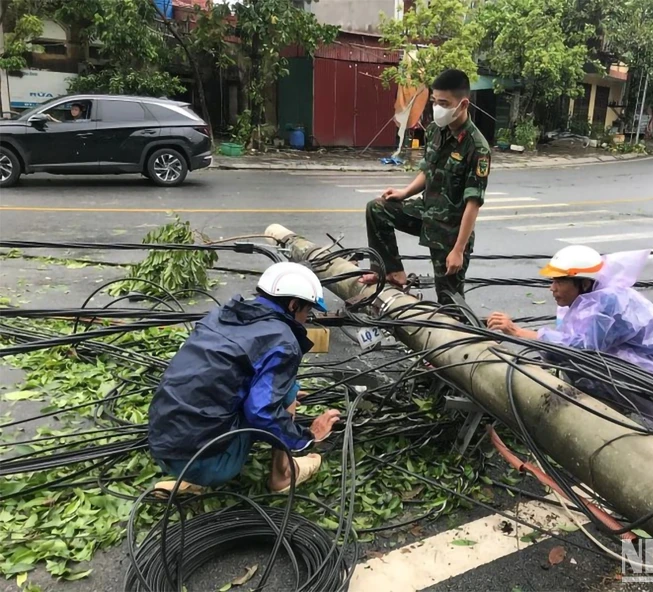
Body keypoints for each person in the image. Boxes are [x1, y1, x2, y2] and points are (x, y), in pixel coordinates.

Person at [148, 262, 341, 494]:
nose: (306, 318)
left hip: (161, 445)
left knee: (268, 392)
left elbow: (215, 377)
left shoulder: (221, 316)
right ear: (293, 304)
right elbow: (261, 412)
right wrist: (307, 437)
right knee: (288, 390)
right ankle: (282, 476)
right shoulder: (283, 339)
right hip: (207, 461)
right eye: (307, 311)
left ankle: (190, 477)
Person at [487, 246, 653, 411]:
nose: (552, 288)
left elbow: (582, 350)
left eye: (560, 281)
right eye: (552, 281)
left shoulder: (610, 303)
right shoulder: (592, 298)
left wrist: (517, 332)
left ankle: (627, 418)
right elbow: (569, 340)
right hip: (639, 370)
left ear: (583, 282)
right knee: (571, 368)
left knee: (581, 372)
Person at [361, 68, 491, 305]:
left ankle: (464, 337)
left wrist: (458, 250)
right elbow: (428, 170)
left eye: (444, 103)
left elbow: (473, 204)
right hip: (426, 214)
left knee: (449, 304)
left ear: (463, 105)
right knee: (377, 209)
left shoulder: (477, 148)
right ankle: (390, 273)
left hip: (450, 234)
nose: (437, 108)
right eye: (434, 101)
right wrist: (404, 192)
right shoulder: (435, 131)